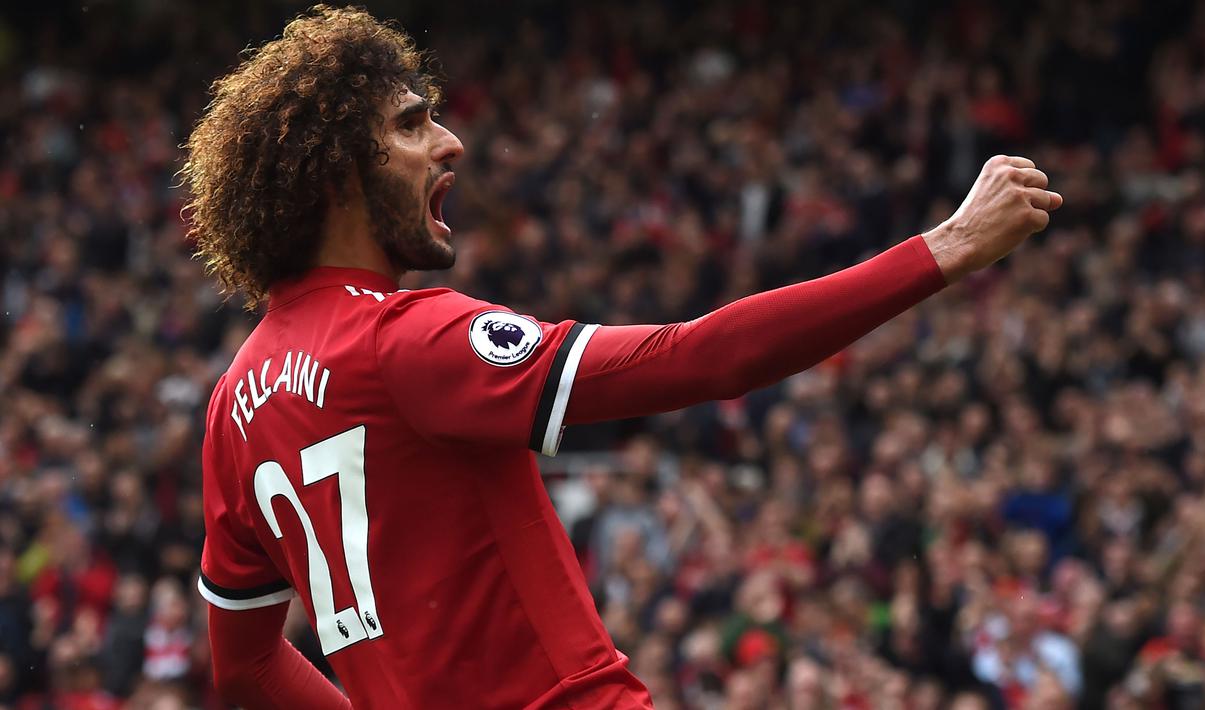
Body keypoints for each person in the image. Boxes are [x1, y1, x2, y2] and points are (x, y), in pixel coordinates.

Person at [181, 6, 1061, 709]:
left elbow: (246, 671)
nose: (450, 143)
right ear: (336, 177)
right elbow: (699, 359)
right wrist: (940, 250)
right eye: (412, 125)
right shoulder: (402, 339)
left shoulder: (232, 410)